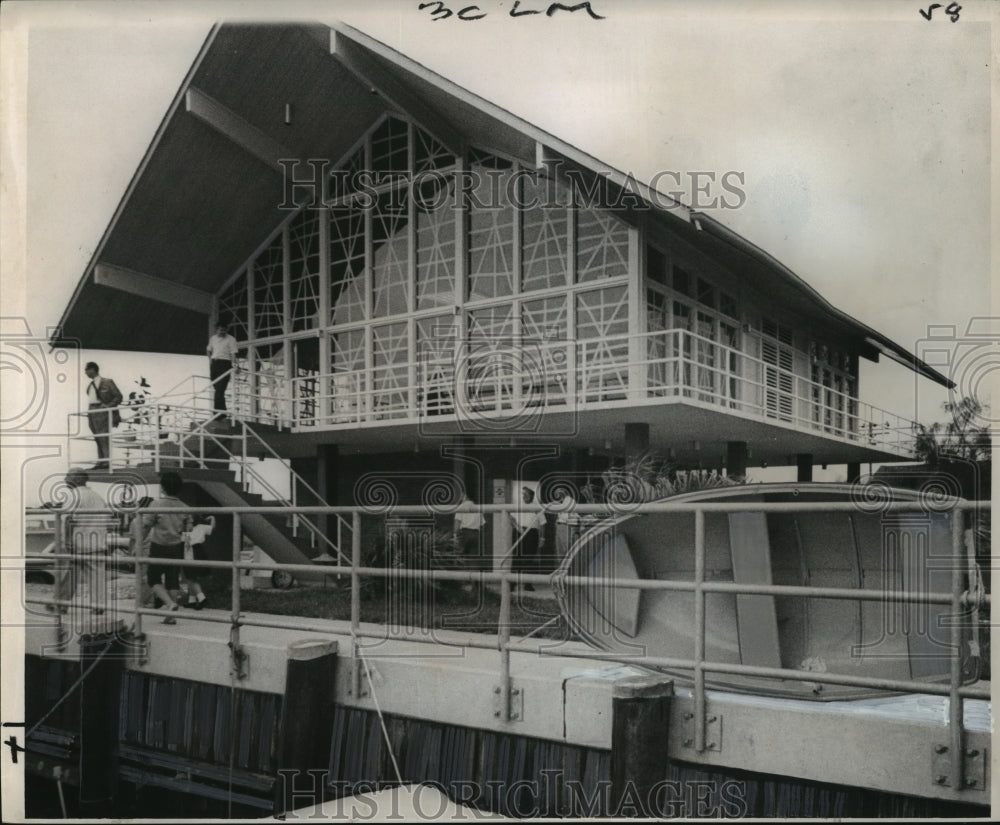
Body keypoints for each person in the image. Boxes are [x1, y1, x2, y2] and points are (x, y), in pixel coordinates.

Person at [50, 468, 113, 615]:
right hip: (97, 542)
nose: (65, 479)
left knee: (69, 574)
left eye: (68, 476)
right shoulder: (98, 497)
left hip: (78, 542)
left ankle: (60, 604)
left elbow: (68, 519)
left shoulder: (74, 495)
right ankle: (98, 606)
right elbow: (107, 521)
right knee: (97, 575)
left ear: (78, 478)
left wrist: (68, 541)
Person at [140, 471, 192, 623]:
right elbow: (188, 530)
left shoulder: (156, 504)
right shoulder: (185, 507)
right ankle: (171, 617)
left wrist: (138, 543)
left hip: (159, 546)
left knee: (153, 578)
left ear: (163, 487)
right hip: (176, 547)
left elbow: (145, 526)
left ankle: (169, 604)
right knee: (172, 580)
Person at [83, 362, 122, 469]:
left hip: (101, 410)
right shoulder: (90, 385)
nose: (85, 372)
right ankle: (101, 460)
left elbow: (118, 397)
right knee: (97, 436)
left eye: (86, 370)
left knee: (103, 436)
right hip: (92, 411)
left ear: (93, 369)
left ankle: (106, 460)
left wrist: (108, 406)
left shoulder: (107, 382)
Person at [509, 486, 546, 591]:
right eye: (523, 494)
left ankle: (528, 584)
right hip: (519, 532)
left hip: (532, 533)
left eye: (526, 494)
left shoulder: (537, 507)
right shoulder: (518, 506)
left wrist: (542, 538)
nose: (524, 496)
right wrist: (518, 528)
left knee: (529, 558)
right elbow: (511, 518)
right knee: (517, 558)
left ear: (532, 496)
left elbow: (543, 523)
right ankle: (512, 583)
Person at [182, 515, 215, 609]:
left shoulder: (190, 529)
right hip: (199, 551)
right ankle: (192, 600)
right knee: (190, 577)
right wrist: (212, 519)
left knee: (191, 577)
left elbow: (186, 542)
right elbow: (211, 528)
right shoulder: (201, 527)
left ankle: (202, 598)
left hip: (191, 552)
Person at [206, 323, 239, 413]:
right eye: (221, 330)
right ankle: (222, 411)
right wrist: (210, 360)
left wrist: (235, 365)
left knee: (220, 389)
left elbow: (233, 353)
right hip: (215, 363)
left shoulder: (231, 339)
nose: (222, 332)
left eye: (224, 330)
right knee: (217, 387)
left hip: (225, 363)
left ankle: (218, 412)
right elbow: (208, 349)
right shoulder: (213, 338)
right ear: (217, 329)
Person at [454, 495, 485, 588]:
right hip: (475, 533)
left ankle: (462, 582)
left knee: (460, 556)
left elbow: (456, 525)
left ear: (464, 496)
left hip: (464, 533)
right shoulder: (477, 508)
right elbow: (482, 525)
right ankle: (475, 583)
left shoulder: (461, 507)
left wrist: (456, 536)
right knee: (473, 559)